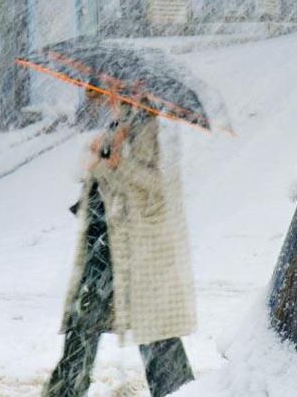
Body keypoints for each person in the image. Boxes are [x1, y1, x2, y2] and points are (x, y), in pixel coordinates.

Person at [43, 97, 197, 397]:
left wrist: (120, 163)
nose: (107, 95)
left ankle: (178, 392)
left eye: (114, 89)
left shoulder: (158, 129)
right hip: (103, 240)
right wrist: (97, 157)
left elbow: (162, 184)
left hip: (140, 248)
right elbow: (93, 176)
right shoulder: (117, 126)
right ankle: (65, 392)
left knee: (155, 333)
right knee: (83, 324)